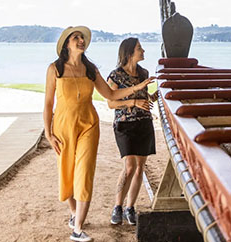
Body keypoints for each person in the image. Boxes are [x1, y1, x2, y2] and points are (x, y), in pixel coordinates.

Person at [44, 26, 154, 242]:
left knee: (84, 173)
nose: (81, 40)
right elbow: (48, 103)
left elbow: (110, 94)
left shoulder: (90, 69)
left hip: (89, 125)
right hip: (63, 125)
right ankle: (74, 213)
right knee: (67, 173)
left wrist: (138, 87)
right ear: (67, 43)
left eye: (82, 38)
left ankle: (77, 228)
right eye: (76, 37)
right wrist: (49, 133)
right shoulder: (54, 69)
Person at [105, 37, 157, 226]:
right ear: (129, 53)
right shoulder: (115, 75)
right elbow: (111, 103)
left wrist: (153, 96)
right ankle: (117, 207)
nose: (143, 51)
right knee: (129, 167)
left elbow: (145, 97)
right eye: (139, 48)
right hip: (125, 125)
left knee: (140, 168)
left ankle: (130, 207)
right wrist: (133, 102)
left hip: (144, 123)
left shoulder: (144, 73)